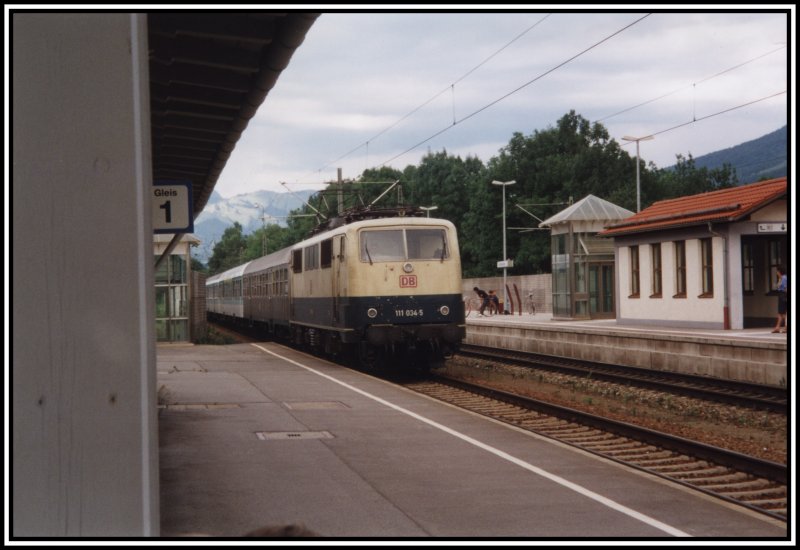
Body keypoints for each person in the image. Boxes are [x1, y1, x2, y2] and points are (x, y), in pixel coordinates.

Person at [772, 265, 788, 333]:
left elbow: (785, 288)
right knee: (780, 313)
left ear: (779, 271)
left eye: (777, 271)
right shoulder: (781, 278)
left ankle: (785, 327)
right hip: (781, 295)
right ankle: (778, 327)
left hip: (783, 295)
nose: (776, 273)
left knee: (783, 313)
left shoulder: (784, 278)